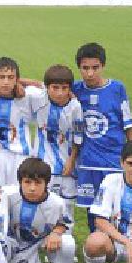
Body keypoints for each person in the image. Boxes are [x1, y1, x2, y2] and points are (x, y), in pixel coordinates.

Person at [71, 42, 132, 232]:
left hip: (113, 161)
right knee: (92, 209)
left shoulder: (117, 89)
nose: (90, 73)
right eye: (85, 68)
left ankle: (116, 244)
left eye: (95, 68)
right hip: (88, 162)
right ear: (79, 68)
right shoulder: (75, 89)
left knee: (115, 207)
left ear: (103, 66)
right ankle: (96, 249)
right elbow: (48, 85)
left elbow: (128, 123)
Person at [2, 158, 77, 263]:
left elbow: (65, 222)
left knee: (68, 243)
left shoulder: (57, 202)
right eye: (27, 182)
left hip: (43, 241)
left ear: (46, 184)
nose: (32, 188)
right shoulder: (7, 195)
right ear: (20, 182)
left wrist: (56, 232)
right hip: (16, 243)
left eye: (38, 183)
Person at [0, 57, 48, 188]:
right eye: (1, 77)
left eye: (11, 77)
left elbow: (49, 89)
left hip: (21, 156)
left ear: (17, 79)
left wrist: (24, 82)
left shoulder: (27, 95)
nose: (6, 82)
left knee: (18, 196)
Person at [32, 64, 85, 215]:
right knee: (43, 206)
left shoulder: (75, 107)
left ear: (70, 89)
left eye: (64, 88)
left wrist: (71, 160)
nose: (60, 93)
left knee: (66, 207)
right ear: (47, 87)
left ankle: (66, 237)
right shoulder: (39, 97)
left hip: (66, 166)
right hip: (43, 163)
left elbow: (78, 137)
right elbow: (21, 83)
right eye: (55, 88)